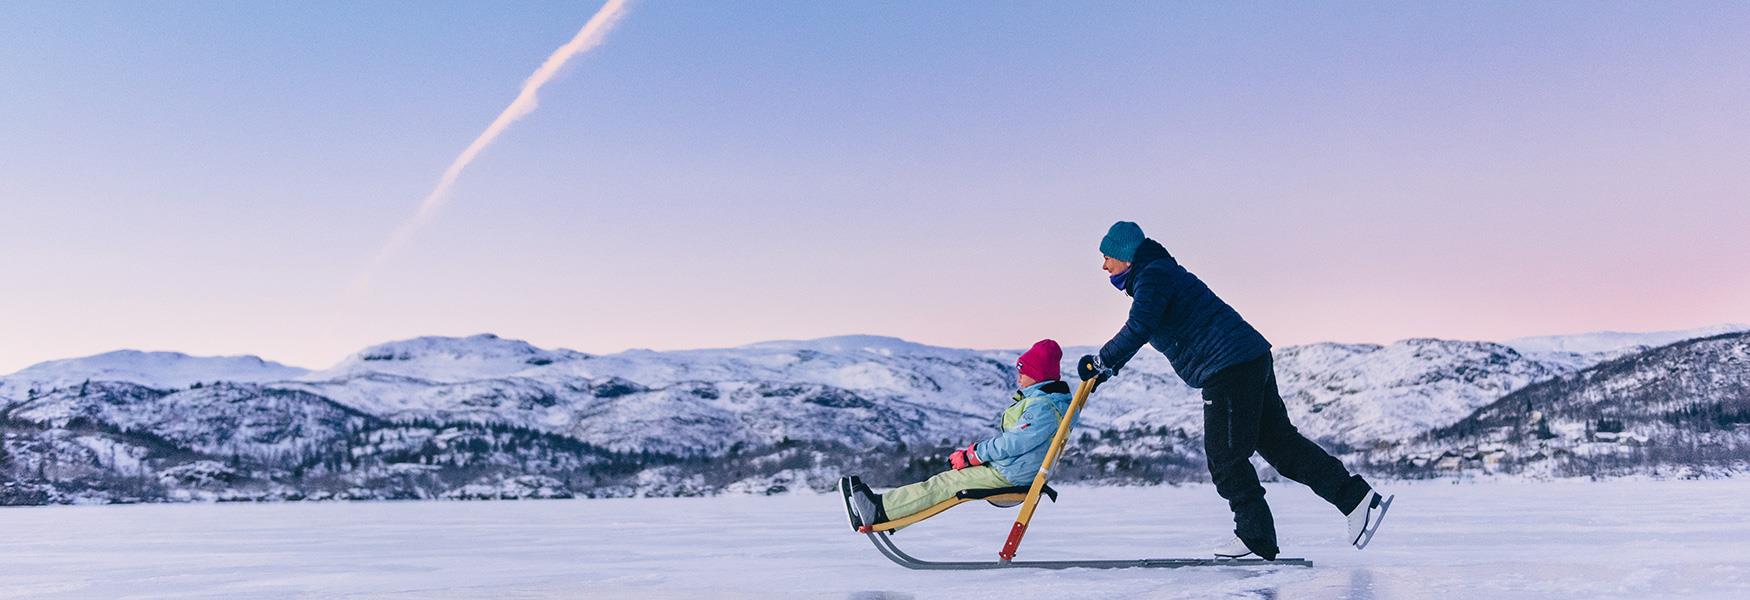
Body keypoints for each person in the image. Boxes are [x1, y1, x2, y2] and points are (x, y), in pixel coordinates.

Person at [1077, 221, 1391, 560]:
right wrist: (1107, 368)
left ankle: (1256, 535)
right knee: (1282, 447)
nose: (1104, 265)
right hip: (1247, 358)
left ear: (1126, 255)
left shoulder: (1152, 275)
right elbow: (1145, 325)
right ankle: (1355, 499)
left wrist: (1102, 361)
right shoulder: (1157, 274)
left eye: (1107, 256)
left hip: (1228, 367)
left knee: (1225, 458)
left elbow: (1140, 326)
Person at [848, 339, 1075, 528]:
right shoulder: (1049, 402)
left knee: (946, 483)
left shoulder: (1042, 407)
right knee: (946, 482)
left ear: (1037, 375)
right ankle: (887, 511)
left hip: (1012, 473)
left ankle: (880, 511)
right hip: (1015, 468)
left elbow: (1015, 443)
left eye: (1023, 373)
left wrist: (974, 455)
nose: (1018, 379)